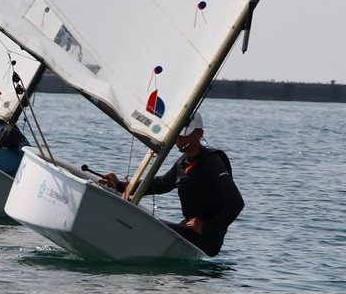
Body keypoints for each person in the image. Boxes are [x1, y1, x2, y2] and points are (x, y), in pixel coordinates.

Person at [99, 110, 244, 257]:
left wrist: (207, 229)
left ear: (199, 134)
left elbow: (236, 203)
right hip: (187, 229)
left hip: (207, 239)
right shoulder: (182, 163)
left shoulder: (212, 161)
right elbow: (161, 184)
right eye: (177, 135)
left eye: (185, 135)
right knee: (143, 219)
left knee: (147, 223)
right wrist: (121, 186)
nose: (180, 141)